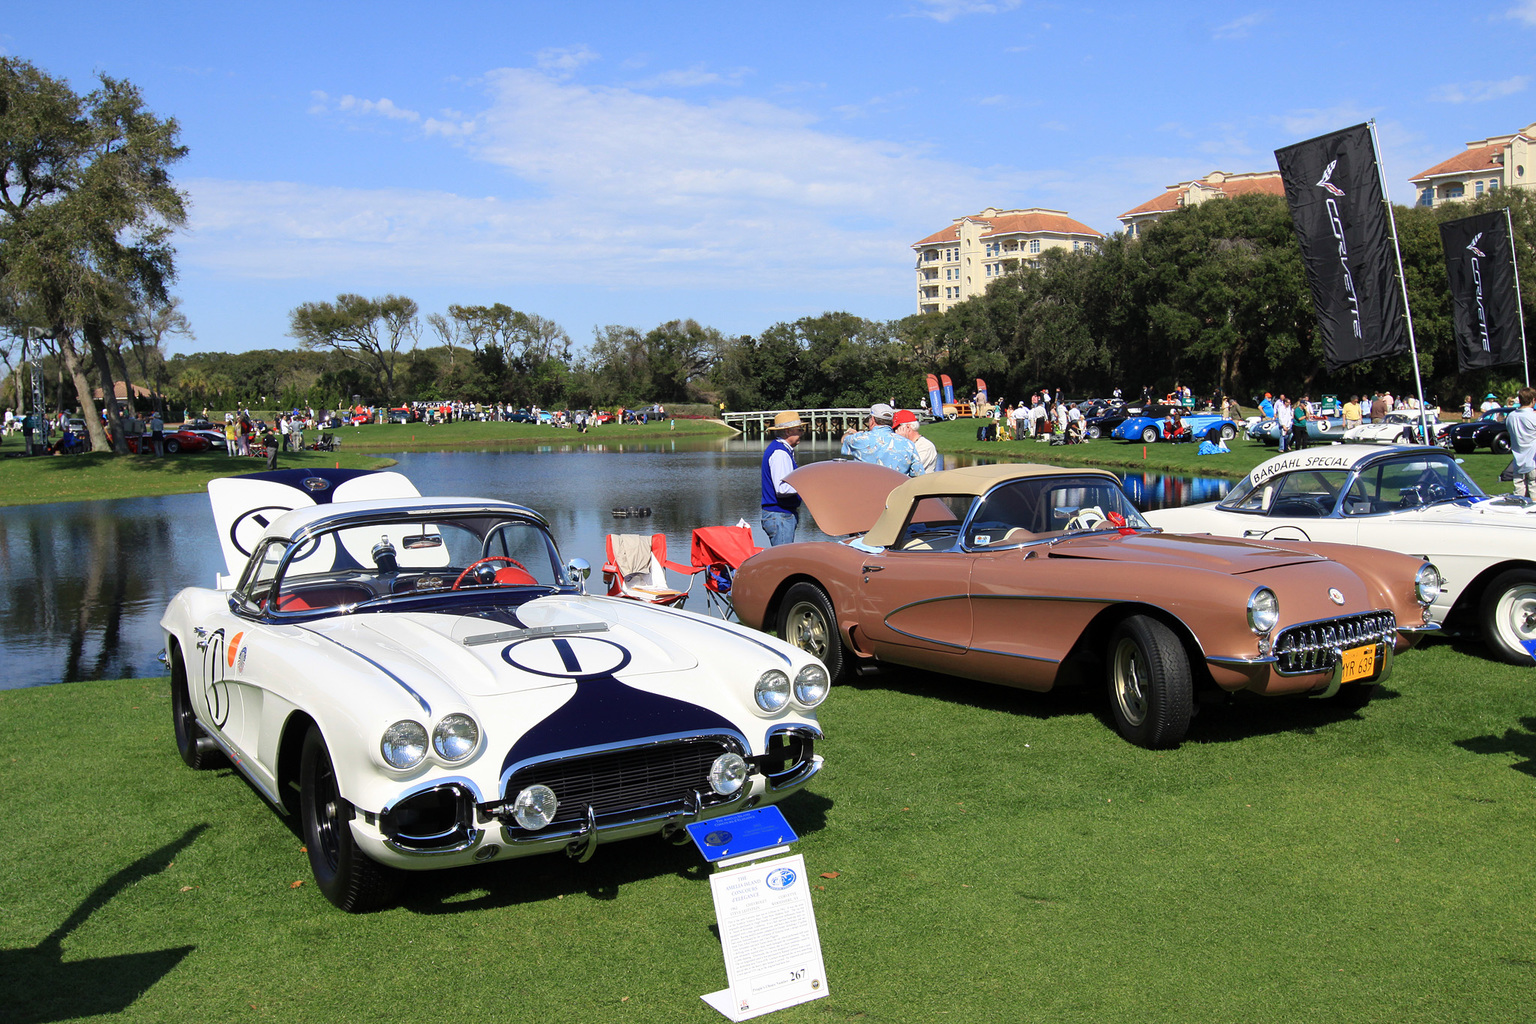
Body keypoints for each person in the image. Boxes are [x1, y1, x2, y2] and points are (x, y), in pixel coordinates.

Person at [841, 403, 924, 476]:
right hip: (896, 491)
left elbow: (843, 440)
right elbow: (917, 474)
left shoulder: (858, 439)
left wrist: (853, 433)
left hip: (866, 490)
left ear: (872, 420)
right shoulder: (908, 444)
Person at [761, 411, 804, 546]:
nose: (802, 433)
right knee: (784, 564)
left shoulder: (781, 450)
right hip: (780, 516)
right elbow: (782, 489)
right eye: (799, 430)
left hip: (780, 516)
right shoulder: (780, 453)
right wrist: (806, 486)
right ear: (787, 432)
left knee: (783, 560)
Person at [1507, 387, 1536, 498]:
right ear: (1533, 400)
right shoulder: (1533, 416)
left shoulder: (1511, 416)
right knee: (1534, 492)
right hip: (1533, 461)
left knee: (1518, 495)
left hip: (1517, 460)